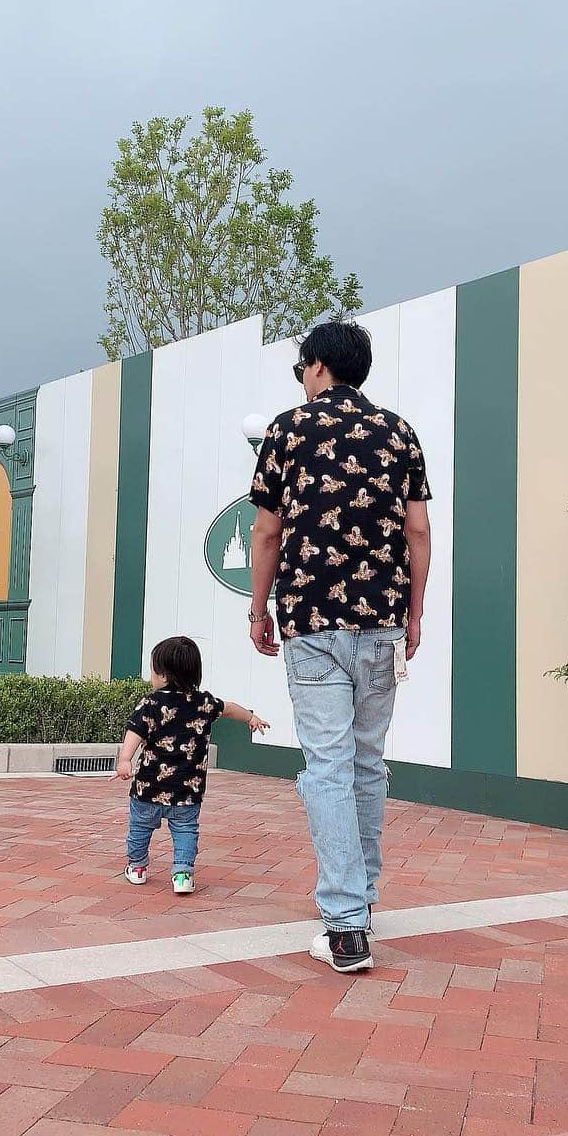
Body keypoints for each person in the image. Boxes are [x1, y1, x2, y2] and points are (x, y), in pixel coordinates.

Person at [248, 321, 431, 973]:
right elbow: (417, 532)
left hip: (312, 619)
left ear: (319, 366)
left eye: (301, 366)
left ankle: (346, 924)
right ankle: (360, 907)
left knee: (327, 764)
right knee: (366, 764)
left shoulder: (287, 429)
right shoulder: (399, 433)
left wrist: (257, 609)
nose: (301, 377)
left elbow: (266, 534)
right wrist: (412, 615)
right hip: (381, 622)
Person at [113, 635, 269, 894]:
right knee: (186, 831)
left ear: (163, 675)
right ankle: (183, 875)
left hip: (148, 788)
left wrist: (125, 760)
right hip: (188, 790)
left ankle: (138, 867)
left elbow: (135, 732)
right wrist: (251, 718)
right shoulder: (203, 702)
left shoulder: (151, 703)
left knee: (139, 828)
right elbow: (229, 709)